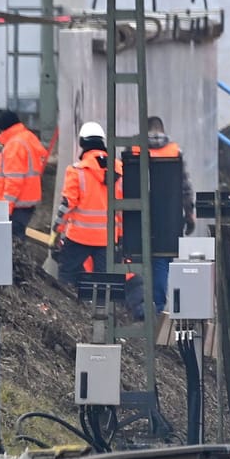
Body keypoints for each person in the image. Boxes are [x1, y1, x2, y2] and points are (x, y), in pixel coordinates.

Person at [54, 121, 145, 320]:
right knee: (104, 283)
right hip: (107, 239)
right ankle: (102, 319)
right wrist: (119, 236)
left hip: (78, 237)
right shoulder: (119, 170)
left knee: (66, 276)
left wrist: (57, 229)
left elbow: (67, 204)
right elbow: (122, 208)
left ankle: (67, 315)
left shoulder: (76, 171)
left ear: (82, 143)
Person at [125, 115, 192, 318]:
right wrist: (189, 214)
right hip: (167, 221)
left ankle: (139, 307)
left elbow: (122, 186)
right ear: (162, 130)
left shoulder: (131, 150)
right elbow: (184, 187)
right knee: (161, 262)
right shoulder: (175, 151)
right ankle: (157, 306)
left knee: (134, 260)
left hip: (135, 219)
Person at [0, 111, 49, 240]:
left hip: (14, 207)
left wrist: (5, 209)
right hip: (23, 204)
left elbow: (14, 181)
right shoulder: (27, 137)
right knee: (15, 241)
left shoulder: (15, 145)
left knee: (11, 243)